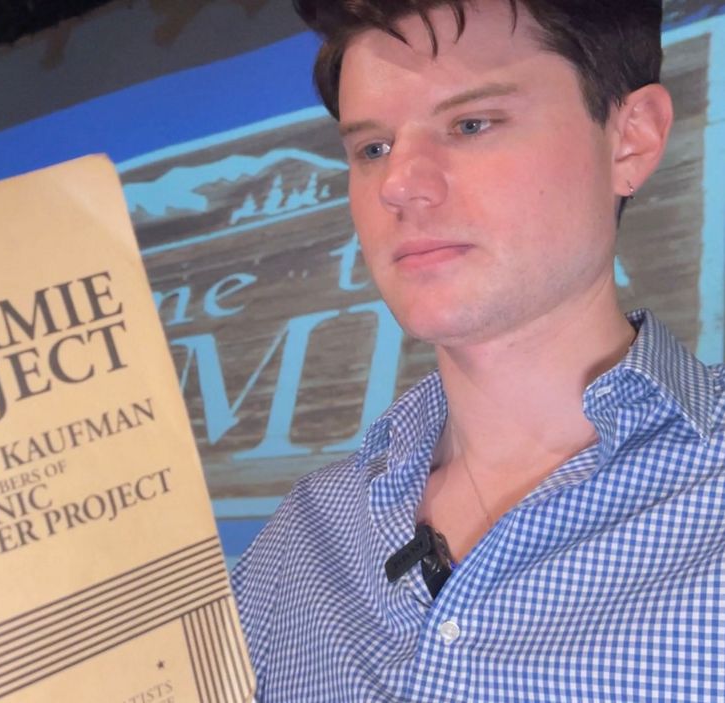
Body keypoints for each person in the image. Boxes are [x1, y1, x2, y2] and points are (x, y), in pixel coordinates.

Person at [232, 0, 724, 700]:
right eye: (373, 149)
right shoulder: (295, 547)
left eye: (471, 124)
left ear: (630, 140)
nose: (399, 184)